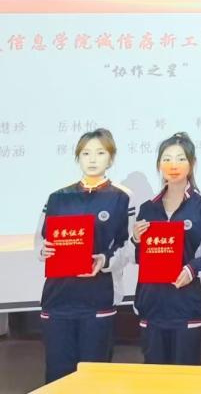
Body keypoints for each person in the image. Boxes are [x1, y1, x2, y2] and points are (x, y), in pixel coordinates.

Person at [38, 128, 132, 383]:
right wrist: (44, 250)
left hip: (97, 298)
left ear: (111, 158)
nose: (92, 159)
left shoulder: (121, 198)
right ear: (78, 157)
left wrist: (105, 260)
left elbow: (129, 247)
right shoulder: (58, 197)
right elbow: (41, 239)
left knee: (94, 375)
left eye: (100, 153)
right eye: (86, 153)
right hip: (58, 298)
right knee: (58, 374)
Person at [132, 132, 201, 365]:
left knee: (187, 377)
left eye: (181, 159)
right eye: (167, 159)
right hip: (153, 305)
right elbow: (139, 259)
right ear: (159, 165)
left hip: (188, 305)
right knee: (155, 378)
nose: (173, 165)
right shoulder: (147, 208)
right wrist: (136, 240)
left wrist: (192, 270)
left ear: (192, 164)